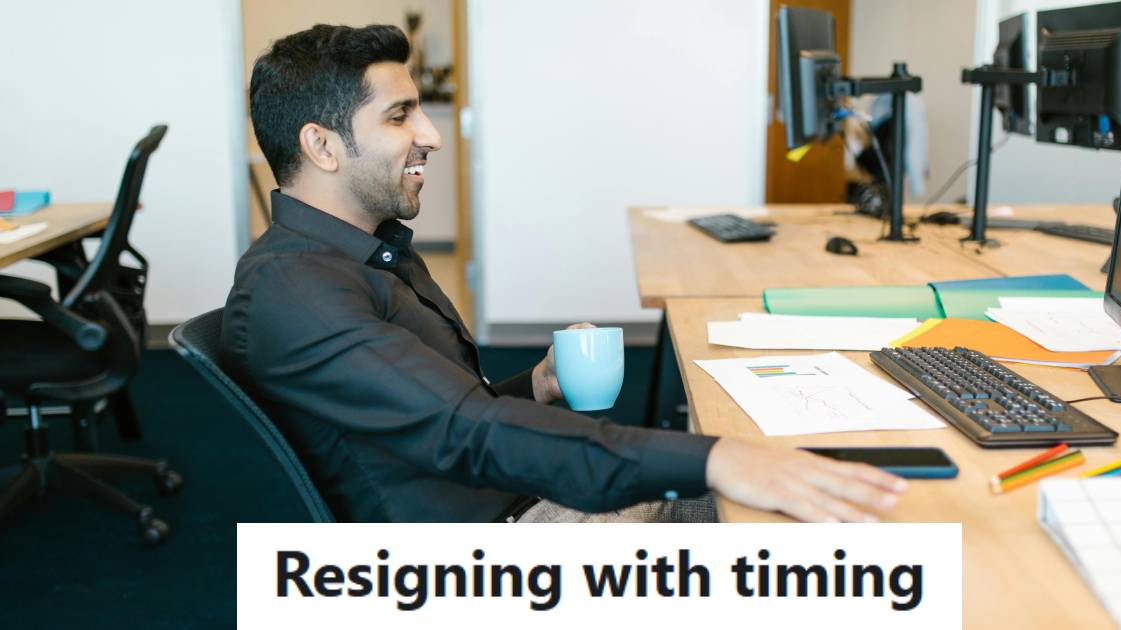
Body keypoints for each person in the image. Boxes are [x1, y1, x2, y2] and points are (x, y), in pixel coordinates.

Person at [220, 23, 906, 523]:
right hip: (502, 549)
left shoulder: (360, 252)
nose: (431, 134)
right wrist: (715, 457)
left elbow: (432, 413)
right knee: (816, 531)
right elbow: (469, 433)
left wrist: (536, 386)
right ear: (322, 145)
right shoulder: (296, 289)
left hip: (524, 502)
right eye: (400, 116)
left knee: (829, 503)